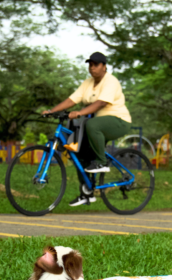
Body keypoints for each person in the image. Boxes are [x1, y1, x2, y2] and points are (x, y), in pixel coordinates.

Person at [42, 52, 132, 207]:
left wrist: (79, 113)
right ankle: (87, 192)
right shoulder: (87, 83)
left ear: (104, 66)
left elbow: (101, 103)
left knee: (91, 124)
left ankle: (102, 162)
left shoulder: (111, 81)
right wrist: (52, 111)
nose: (92, 68)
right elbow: (72, 99)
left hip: (119, 121)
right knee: (78, 152)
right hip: (98, 124)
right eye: (90, 64)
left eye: (96, 64)